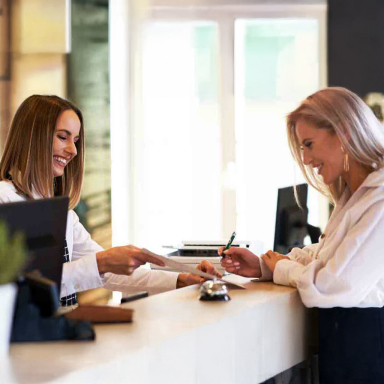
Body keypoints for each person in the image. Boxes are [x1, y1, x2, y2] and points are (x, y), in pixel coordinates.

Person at [219, 87, 384, 383]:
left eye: (309, 144)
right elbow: (327, 254)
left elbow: (333, 283)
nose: (306, 160)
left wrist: (281, 268)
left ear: (343, 132)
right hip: (350, 352)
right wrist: (263, 265)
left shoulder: (380, 198)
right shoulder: (355, 195)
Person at [0, 95, 220, 307]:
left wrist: (182, 279)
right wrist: (101, 262)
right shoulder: (4, 199)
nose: (73, 151)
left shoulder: (63, 215)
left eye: (75, 140)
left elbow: (110, 273)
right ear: (33, 137)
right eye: (62, 137)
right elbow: (22, 286)